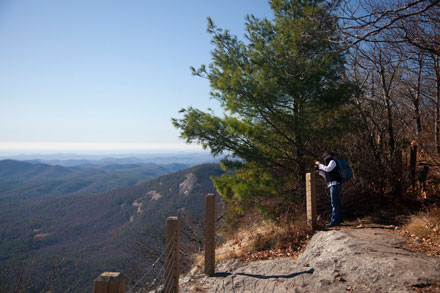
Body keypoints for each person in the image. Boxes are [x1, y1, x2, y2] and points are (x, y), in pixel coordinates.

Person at [315, 151, 343, 227]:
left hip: (335, 185)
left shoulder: (332, 161)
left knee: (334, 203)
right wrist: (319, 171)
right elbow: (326, 176)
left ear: (329, 155)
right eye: (323, 157)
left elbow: (328, 169)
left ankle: (334, 221)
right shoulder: (327, 164)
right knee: (336, 203)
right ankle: (339, 219)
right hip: (332, 185)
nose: (324, 158)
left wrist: (319, 165)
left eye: (325, 156)